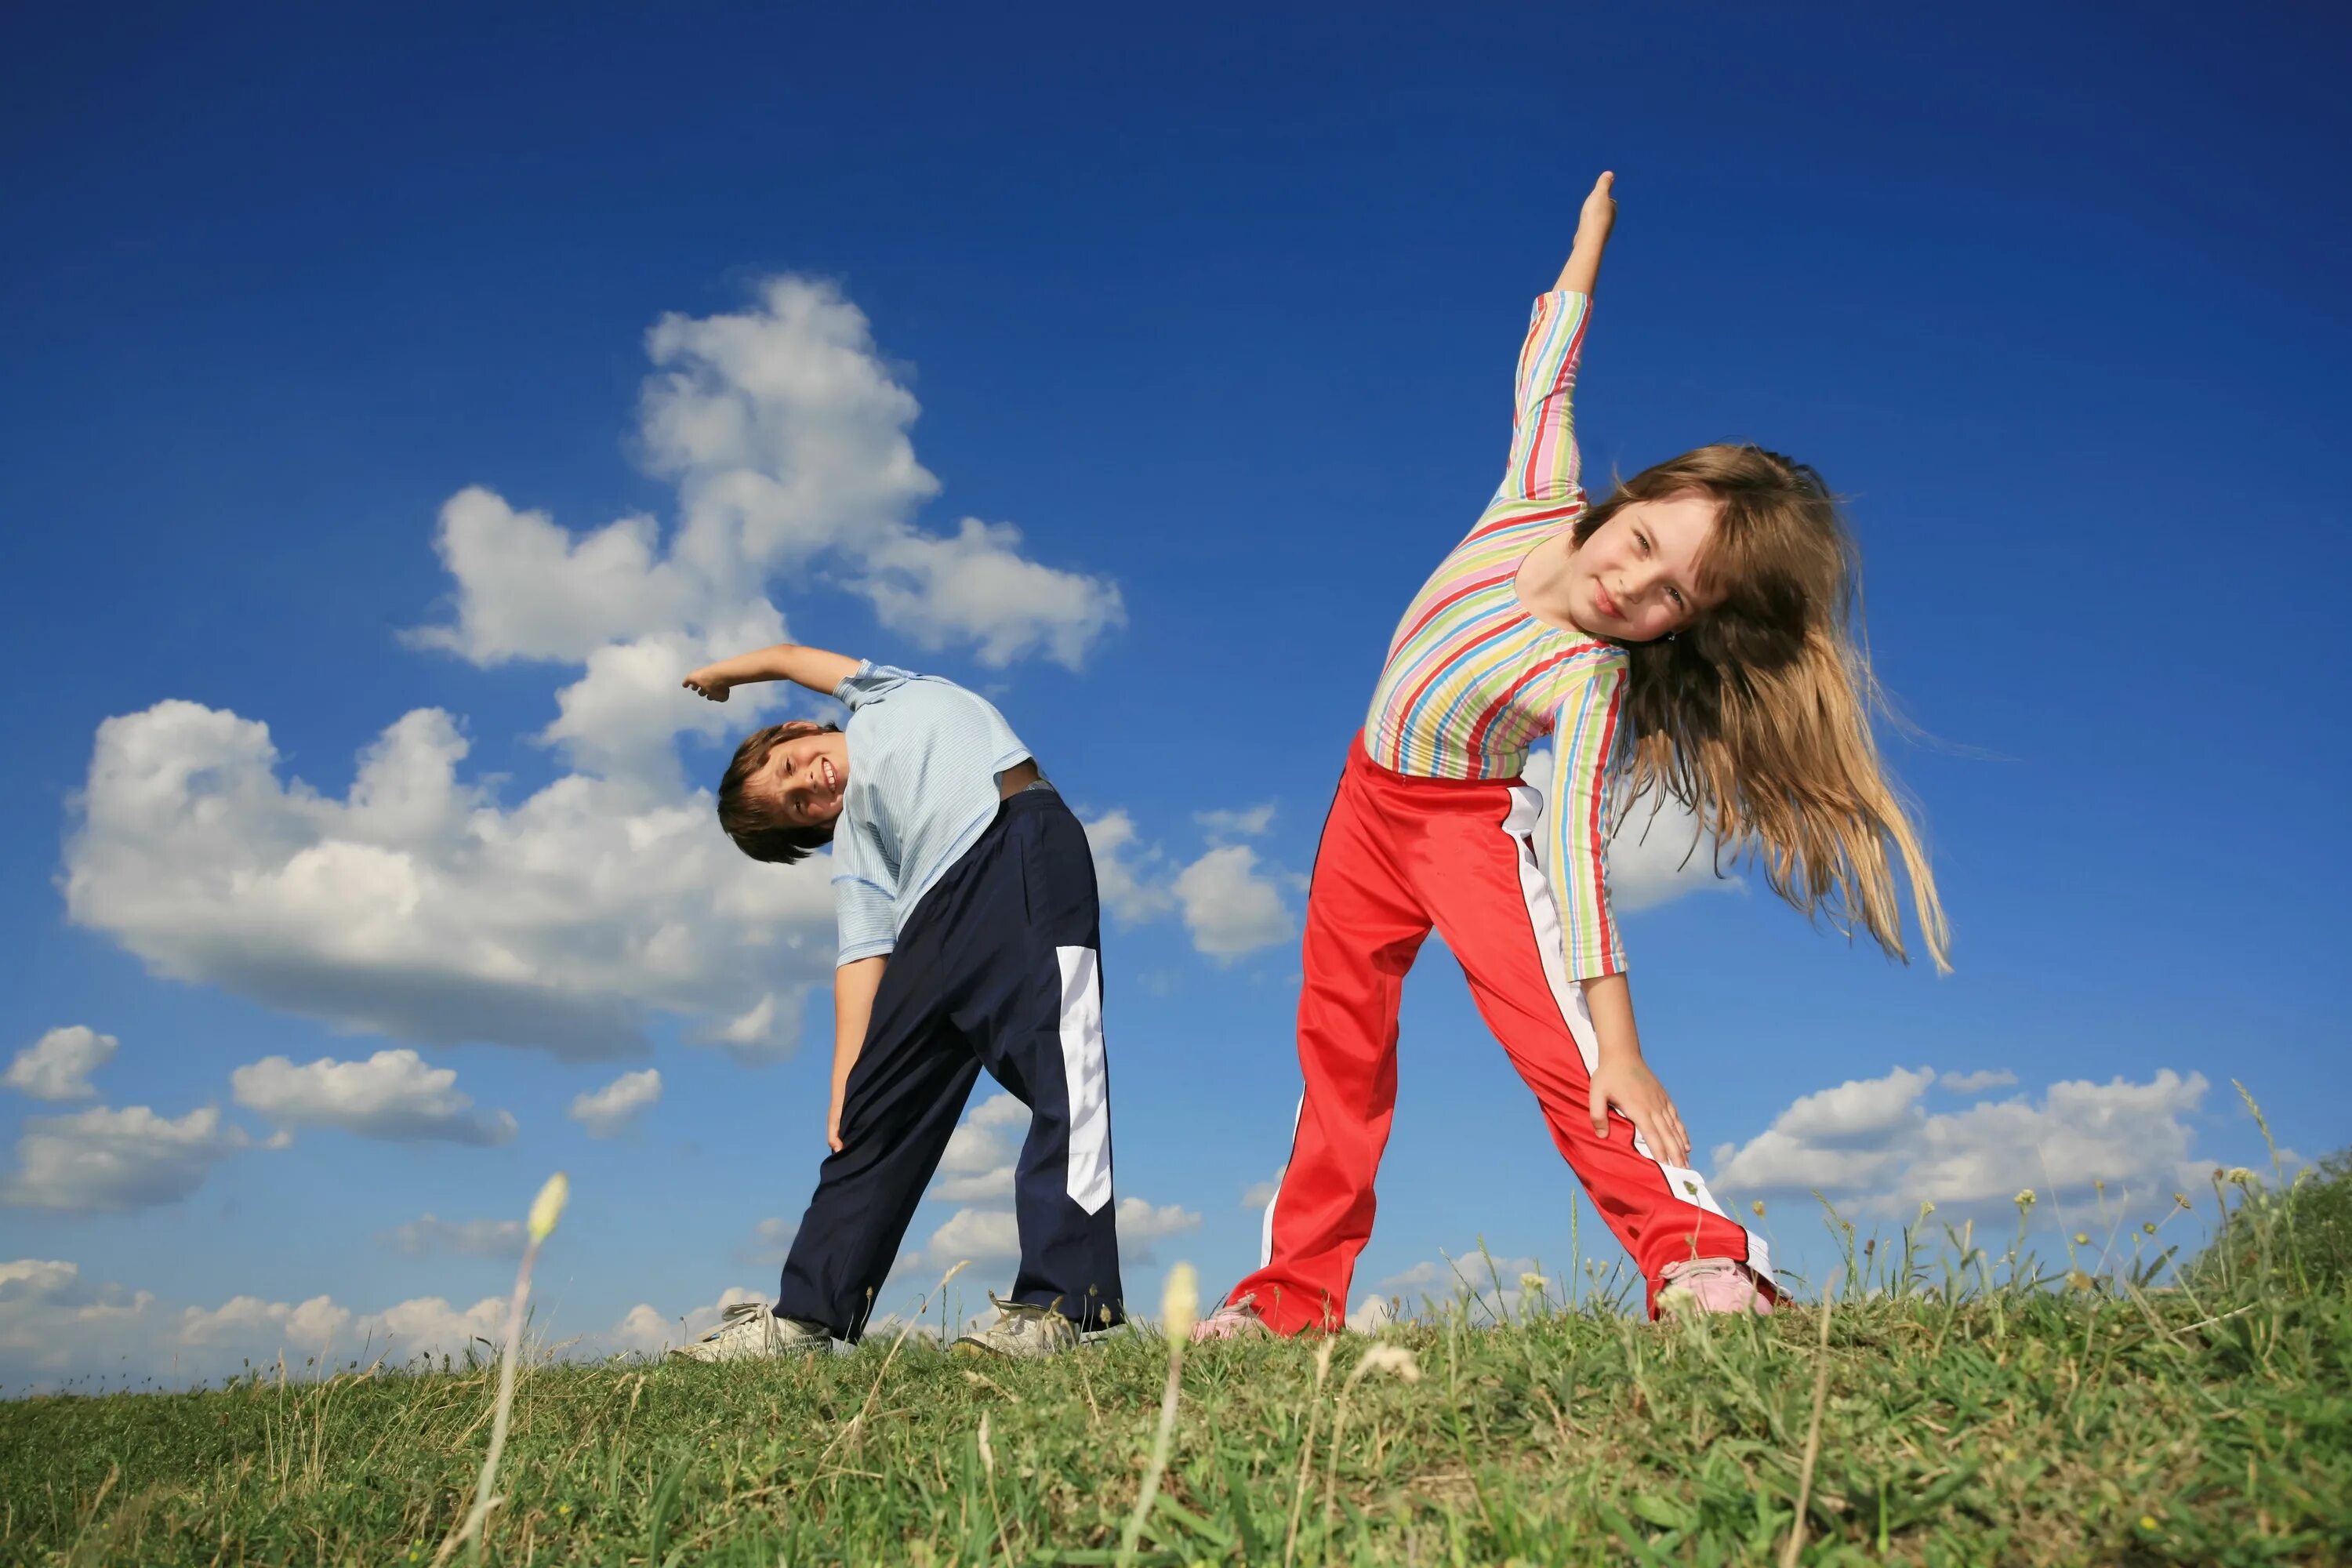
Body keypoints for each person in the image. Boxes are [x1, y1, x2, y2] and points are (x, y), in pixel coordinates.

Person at [1196, 172, 1949, 1338]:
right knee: (1336, 1051)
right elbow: (1546, 363)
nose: (1633, 584)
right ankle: (1292, 1300)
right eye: (1645, 543)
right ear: (1626, 501)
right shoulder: (1536, 497)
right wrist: (1588, 243)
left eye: (1670, 598)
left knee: (1564, 1052)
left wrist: (1625, 1045)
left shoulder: (1587, 682)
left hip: (1462, 833)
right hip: (1361, 810)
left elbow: (1578, 864)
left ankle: (1703, 1262)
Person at [669, 644, 1123, 1360]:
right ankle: (809, 1317)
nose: (812, 789)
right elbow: (859, 959)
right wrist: (846, 1082)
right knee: (874, 1112)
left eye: (793, 769)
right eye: (799, 810)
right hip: (929, 918)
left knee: (1061, 1068)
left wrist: (727, 673)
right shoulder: (857, 840)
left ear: (797, 731)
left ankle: (1060, 1305)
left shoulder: (883, 697)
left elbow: (793, 658)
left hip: (1018, 843)